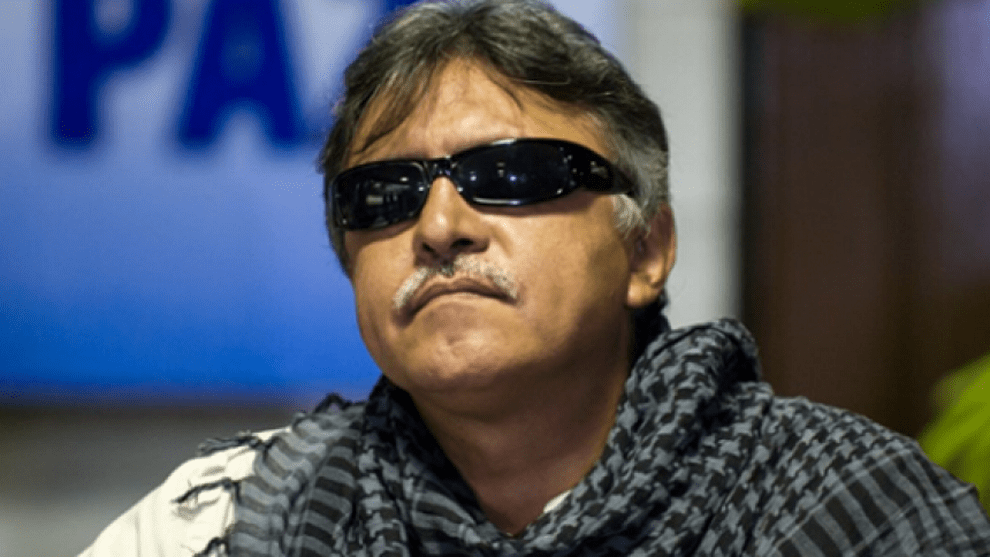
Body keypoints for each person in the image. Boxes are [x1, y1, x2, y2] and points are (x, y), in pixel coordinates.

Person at [81, 1, 990, 555]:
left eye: (510, 174)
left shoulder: (853, 511)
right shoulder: (227, 522)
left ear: (646, 249)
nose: (440, 227)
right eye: (386, 193)